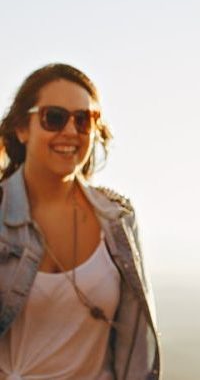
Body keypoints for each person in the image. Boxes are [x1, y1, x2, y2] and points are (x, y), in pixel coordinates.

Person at [0, 63, 161, 379]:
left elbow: (136, 348)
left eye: (84, 120)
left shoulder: (118, 219)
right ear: (22, 128)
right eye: (54, 118)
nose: (71, 131)